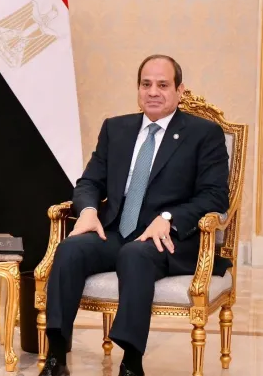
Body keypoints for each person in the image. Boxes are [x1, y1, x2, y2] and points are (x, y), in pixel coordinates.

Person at [39, 55, 230, 376]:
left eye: (163, 85)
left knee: (135, 254)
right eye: (146, 84)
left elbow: (215, 196)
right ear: (138, 88)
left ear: (180, 90)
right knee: (70, 249)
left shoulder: (204, 133)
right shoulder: (116, 129)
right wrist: (88, 211)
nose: (153, 92)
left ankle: (131, 362)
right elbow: (89, 182)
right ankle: (56, 357)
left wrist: (169, 217)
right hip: (117, 230)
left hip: (169, 239)